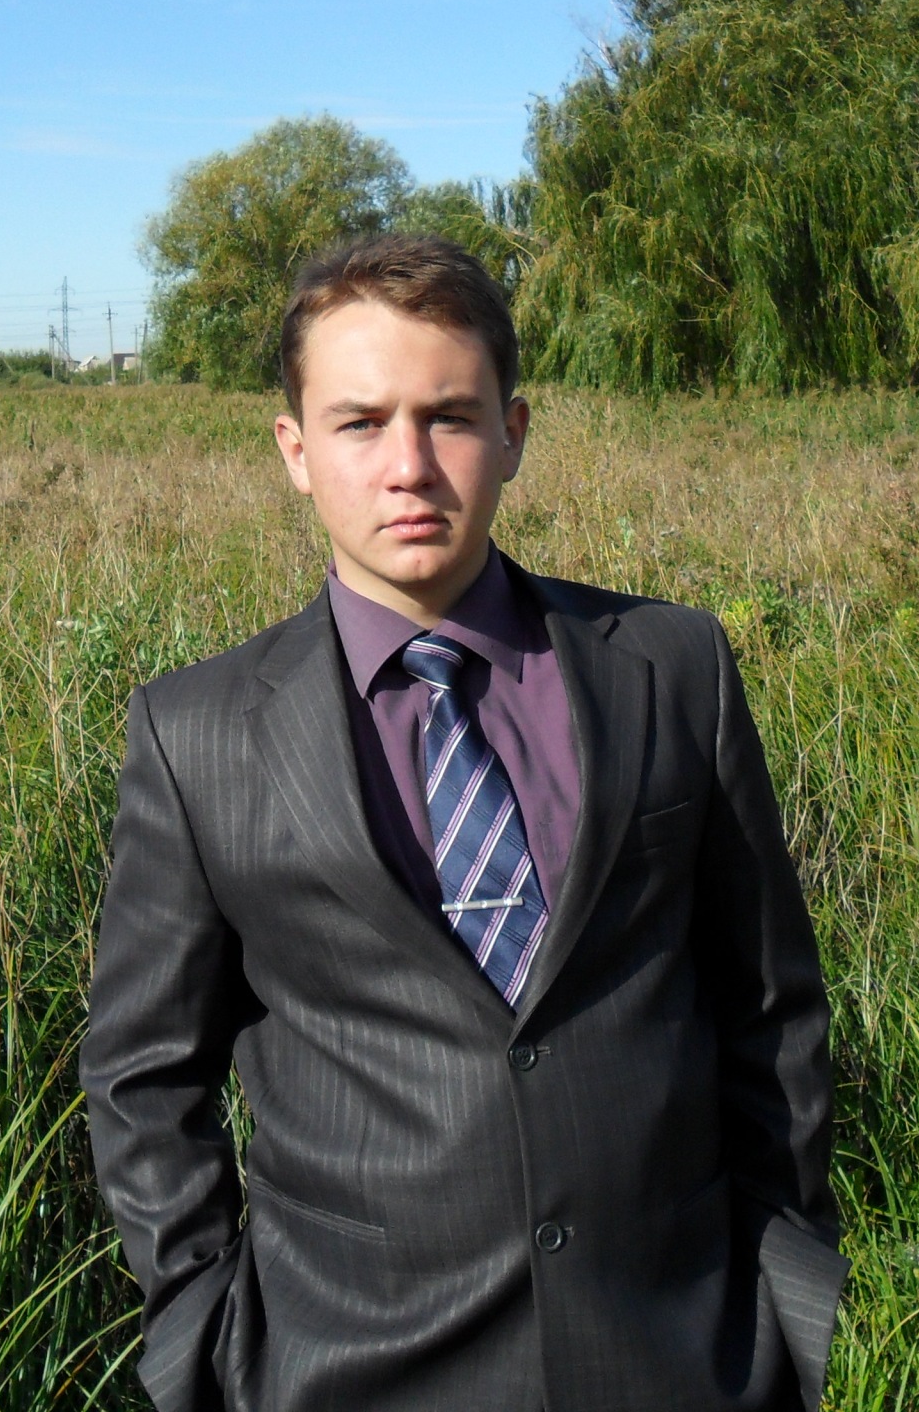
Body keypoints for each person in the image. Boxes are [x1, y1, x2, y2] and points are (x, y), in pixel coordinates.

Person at [82, 234, 840, 1412]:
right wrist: (201, 1328)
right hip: (343, 1368)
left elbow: (767, 1003)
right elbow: (144, 1073)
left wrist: (791, 1294)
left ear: (513, 433)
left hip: (681, 1353)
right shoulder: (199, 734)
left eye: (449, 417)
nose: (409, 467)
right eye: (359, 422)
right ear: (294, 451)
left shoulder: (669, 668)